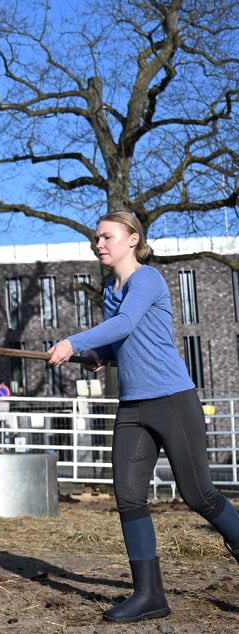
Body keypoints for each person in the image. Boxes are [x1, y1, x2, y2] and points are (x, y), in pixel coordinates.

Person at [48, 211, 239, 624]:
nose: (98, 244)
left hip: (172, 399)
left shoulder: (147, 279)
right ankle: (149, 595)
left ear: (133, 239)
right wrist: (99, 355)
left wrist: (72, 341)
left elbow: (126, 322)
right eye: (96, 238)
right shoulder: (109, 289)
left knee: (199, 496)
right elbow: (126, 339)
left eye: (106, 237)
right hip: (132, 406)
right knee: (129, 497)